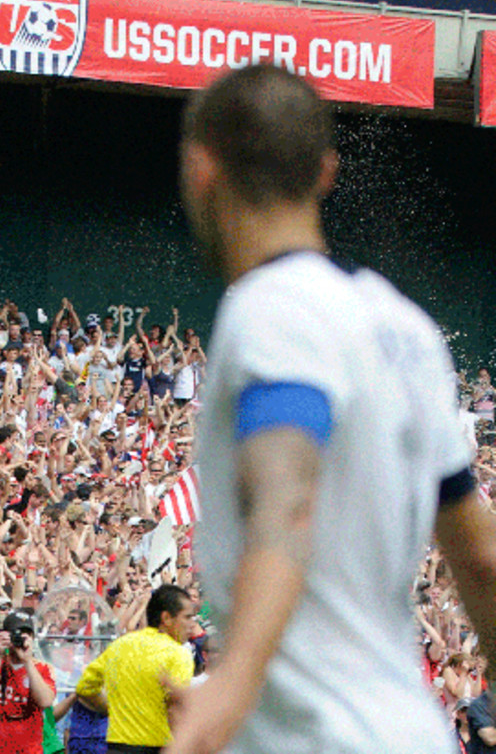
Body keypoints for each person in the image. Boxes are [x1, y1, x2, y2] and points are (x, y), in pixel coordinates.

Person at [167, 64, 496, 754]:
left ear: (201, 169)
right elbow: (483, 560)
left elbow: (287, 503)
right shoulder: (409, 330)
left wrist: (229, 688)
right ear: (324, 171)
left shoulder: (268, 311)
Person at [75, 585, 194, 753]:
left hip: (117, 748)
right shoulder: (177, 654)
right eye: (187, 617)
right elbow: (175, 708)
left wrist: (113, 709)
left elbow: (84, 688)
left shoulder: (120, 645)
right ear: (166, 618)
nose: (192, 624)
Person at [0, 611, 55, 754]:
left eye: (26, 635)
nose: (20, 639)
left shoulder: (42, 668)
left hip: (27, 749)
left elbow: (46, 701)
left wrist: (27, 661)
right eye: (15, 634)